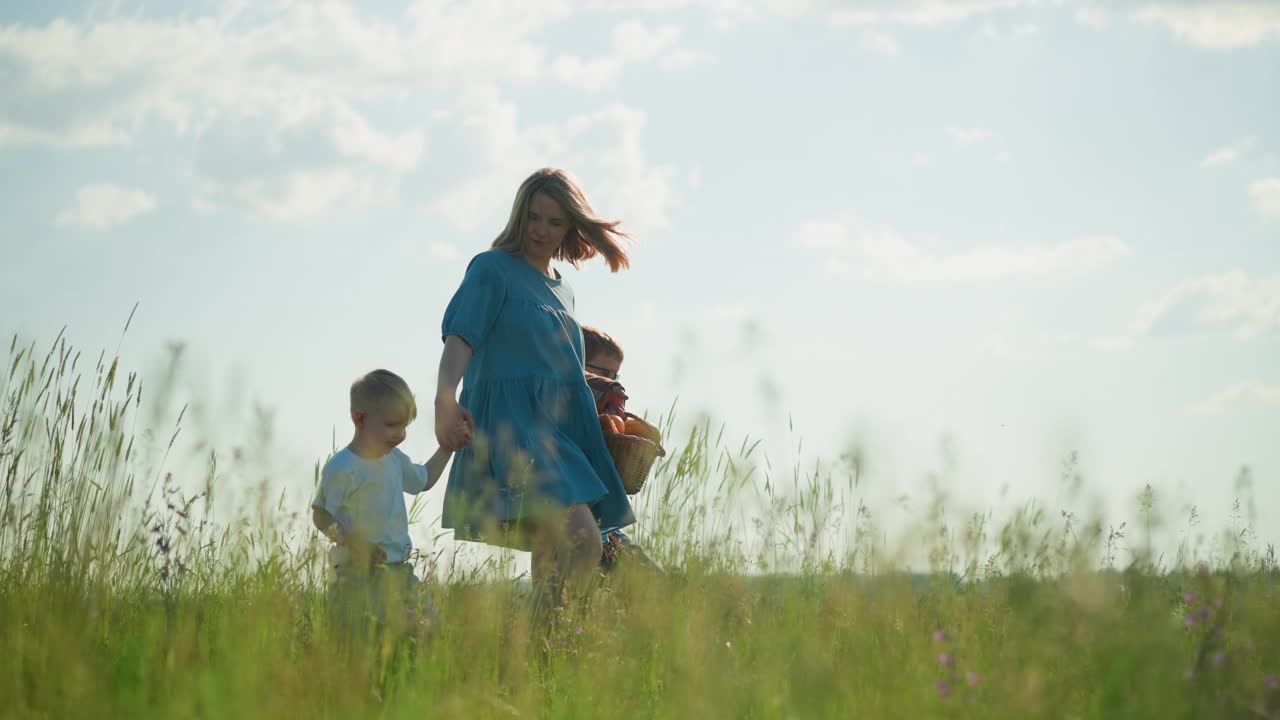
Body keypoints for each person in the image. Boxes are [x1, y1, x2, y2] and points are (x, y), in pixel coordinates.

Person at [433, 167, 635, 615]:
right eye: (534, 217)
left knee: (555, 546)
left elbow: (550, 364)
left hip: (559, 429)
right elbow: (460, 337)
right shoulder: (491, 269)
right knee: (584, 541)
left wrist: (601, 392)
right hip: (513, 429)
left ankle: (539, 660)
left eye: (555, 221)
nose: (542, 231)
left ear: (570, 227)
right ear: (518, 215)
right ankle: (546, 640)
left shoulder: (564, 291)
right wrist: (444, 400)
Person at [311, 368, 467, 635]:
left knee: (433, 631)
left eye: (405, 426)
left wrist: (448, 448)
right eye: (392, 425)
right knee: (364, 639)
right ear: (360, 419)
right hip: (355, 575)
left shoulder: (394, 460)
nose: (400, 435)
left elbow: (424, 479)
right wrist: (355, 544)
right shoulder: (342, 467)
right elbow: (321, 515)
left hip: (399, 572)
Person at [580, 325, 664, 575]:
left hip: (602, 525)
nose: (611, 383)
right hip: (583, 523)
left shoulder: (606, 412)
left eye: (615, 376)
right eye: (606, 373)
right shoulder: (568, 412)